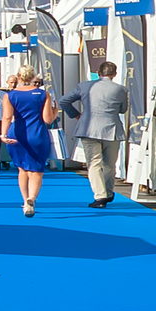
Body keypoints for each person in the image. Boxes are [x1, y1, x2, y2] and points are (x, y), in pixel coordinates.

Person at [59, 61, 128, 208]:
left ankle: (100, 195)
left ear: (98, 73)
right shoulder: (121, 89)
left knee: (94, 163)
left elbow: (63, 101)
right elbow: (123, 109)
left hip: (89, 128)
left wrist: (76, 115)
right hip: (112, 129)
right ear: (115, 74)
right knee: (110, 164)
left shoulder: (85, 86)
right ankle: (108, 192)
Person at [0, 65, 58, 217]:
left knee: (22, 169)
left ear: (18, 77)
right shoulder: (43, 94)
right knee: (36, 170)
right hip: (37, 134)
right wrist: (55, 111)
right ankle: (32, 198)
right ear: (33, 77)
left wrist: (3, 134)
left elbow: (7, 117)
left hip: (17, 134)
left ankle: (25, 200)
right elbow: (47, 119)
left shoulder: (10, 95)